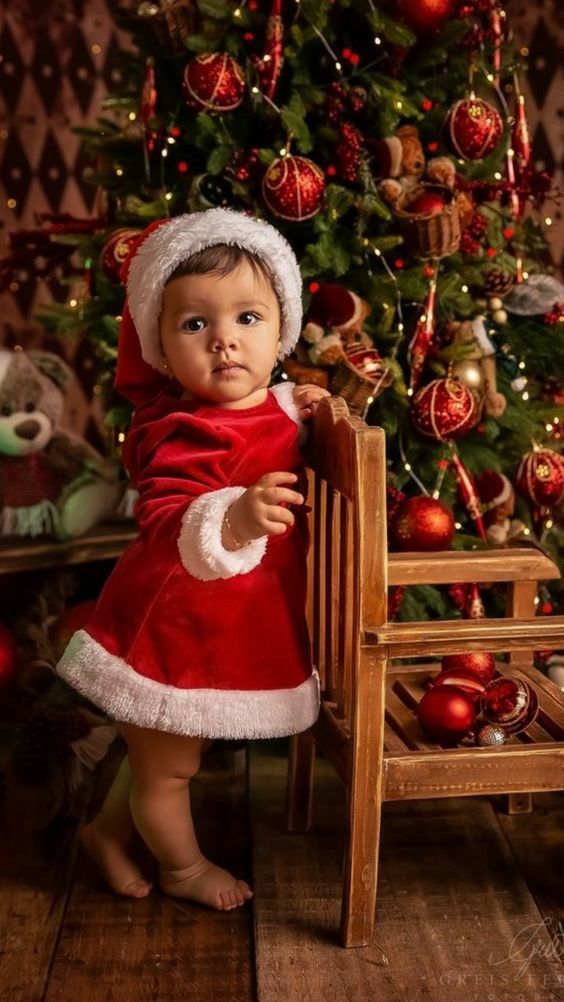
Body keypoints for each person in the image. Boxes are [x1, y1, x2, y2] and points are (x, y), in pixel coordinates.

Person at [56, 208, 329, 912]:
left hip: (224, 635)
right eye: (194, 325)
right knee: (169, 768)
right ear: (162, 349)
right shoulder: (179, 430)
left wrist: (310, 403)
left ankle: (105, 835)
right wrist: (231, 515)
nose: (225, 343)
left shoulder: (275, 405)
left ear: (282, 329)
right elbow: (167, 514)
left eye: (247, 318)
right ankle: (180, 868)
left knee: (168, 753)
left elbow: (280, 418)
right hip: (169, 633)